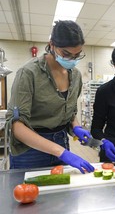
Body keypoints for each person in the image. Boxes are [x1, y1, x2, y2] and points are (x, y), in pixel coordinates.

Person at [6, 20, 94, 173]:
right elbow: (17, 127)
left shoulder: (76, 76)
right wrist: (61, 152)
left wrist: (77, 127)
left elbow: (69, 111)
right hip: (30, 150)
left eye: (77, 55)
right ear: (51, 44)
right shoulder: (28, 73)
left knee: (61, 195)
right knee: (29, 195)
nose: (71, 59)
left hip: (61, 141)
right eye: (66, 54)